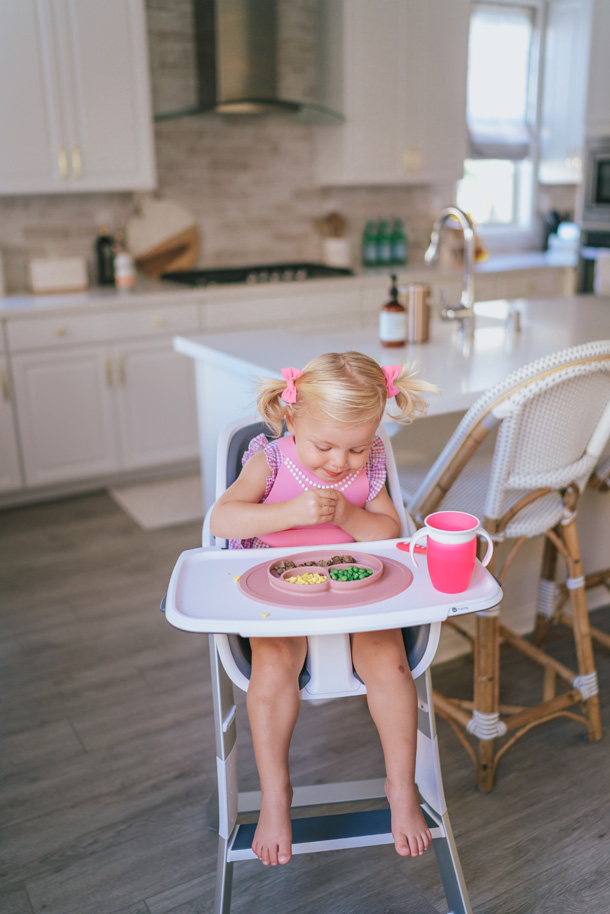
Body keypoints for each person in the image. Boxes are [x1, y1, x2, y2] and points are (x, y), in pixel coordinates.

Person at [210, 351, 438, 867]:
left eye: (355, 448)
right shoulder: (269, 458)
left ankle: (400, 787)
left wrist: (352, 514)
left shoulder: (372, 459)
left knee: (390, 663)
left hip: (358, 591)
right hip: (280, 591)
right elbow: (223, 519)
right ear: (291, 419)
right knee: (271, 670)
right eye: (325, 446)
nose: (340, 463)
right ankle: (275, 796)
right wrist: (289, 512)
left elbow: (389, 531)